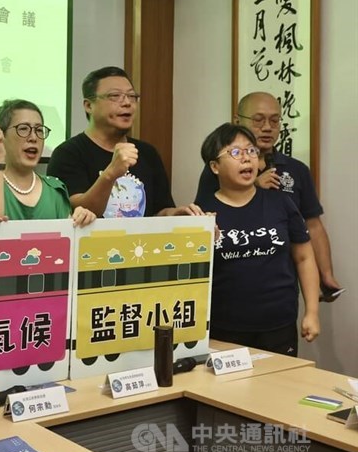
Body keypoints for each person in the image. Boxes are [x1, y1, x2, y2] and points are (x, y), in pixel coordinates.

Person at [195, 91, 341, 295]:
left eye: (274, 121)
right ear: (238, 121)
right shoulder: (220, 169)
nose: (267, 128)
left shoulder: (296, 170)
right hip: (231, 285)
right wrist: (251, 186)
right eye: (258, 120)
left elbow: (313, 225)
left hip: (281, 284)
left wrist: (326, 273)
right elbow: (203, 222)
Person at [197, 123, 320, 356]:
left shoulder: (281, 203)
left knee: (278, 389)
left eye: (251, 151)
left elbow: (304, 257)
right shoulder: (203, 214)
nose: (247, 159)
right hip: (224, 329)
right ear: (214, 166)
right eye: (235, 152)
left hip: (278, 325)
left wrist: (312, 312)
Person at [47, 66, 202, 218]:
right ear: (89, 106)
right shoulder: (68, 154)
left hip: (142, 244)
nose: (127, 103)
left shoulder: (148, 153)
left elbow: (160, 210)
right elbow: (78, 212)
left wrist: (177, 214)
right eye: (115, 96)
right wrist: (111, 173)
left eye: (132, 96)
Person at [0, 99, 95, 227]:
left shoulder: (55, 189)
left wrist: (80, 219)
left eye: (39, 130)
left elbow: (66, 242)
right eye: (23, 129)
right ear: (1, 136)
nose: (33, 138)